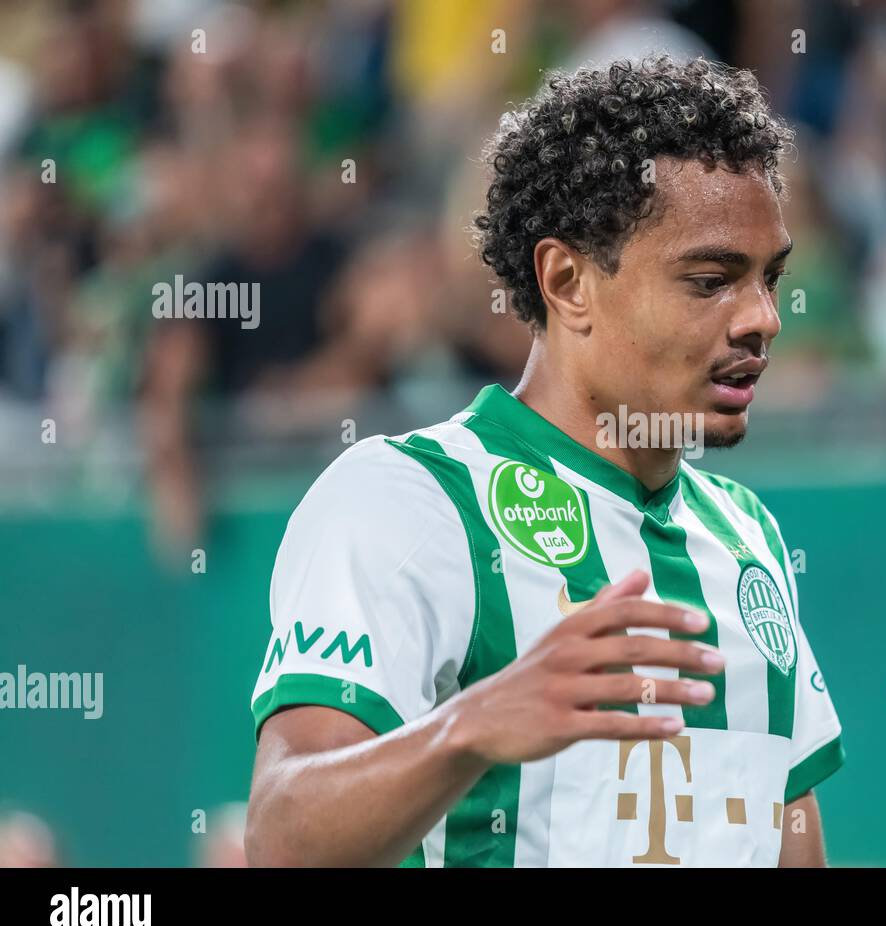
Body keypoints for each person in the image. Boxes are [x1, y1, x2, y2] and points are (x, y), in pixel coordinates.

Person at [245, 56, 844, 868]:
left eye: (770, 278)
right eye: (710, 280)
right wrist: (471, 726)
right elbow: (282, 836)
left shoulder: (748, 538)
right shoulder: (408, 500)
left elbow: (791, 845)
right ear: (567, 282)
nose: (763, 319)